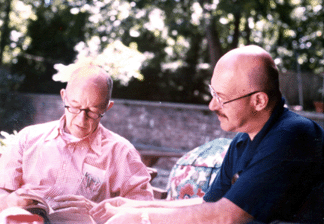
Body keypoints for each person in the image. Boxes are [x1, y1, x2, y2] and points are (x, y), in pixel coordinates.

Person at [89, 45, 324, 224]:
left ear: (259, 101)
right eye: (213, 93)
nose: (212, 105)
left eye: (221, 97)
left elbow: (226, 215)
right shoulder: (244, 139)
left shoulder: (291, 136)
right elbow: (209, 203)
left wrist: (143, 218)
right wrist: (133, 207)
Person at [0, 64, 153, 223]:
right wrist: (10, 202)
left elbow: (143, 210)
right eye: (74, 106)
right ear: (63, 96)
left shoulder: (121, 152)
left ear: (107, 107)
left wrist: (100, 211)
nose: (81, 119)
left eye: (93, 111)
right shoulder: (28, 138)